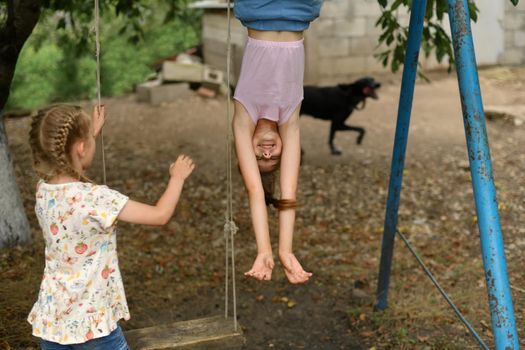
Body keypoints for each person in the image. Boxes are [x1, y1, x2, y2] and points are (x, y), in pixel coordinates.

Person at [27, 104, 195, 348]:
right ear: (81, 148)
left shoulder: (42, 191)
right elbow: (159, 215)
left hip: (52, 321)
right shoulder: (97, 198)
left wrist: (90, 133)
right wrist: (177, 178)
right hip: (93, 324)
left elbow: (64, 165)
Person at [233, 0, 322, 284]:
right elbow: (288, 193)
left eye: (259, 157)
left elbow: (255, 192)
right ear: (285, 150)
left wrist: (264, 250)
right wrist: (286, 250)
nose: (267, 152)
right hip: (299, 9)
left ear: (247, 149)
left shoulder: (244, 117)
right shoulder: (290, 121)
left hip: (259, 8)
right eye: (273, 158)